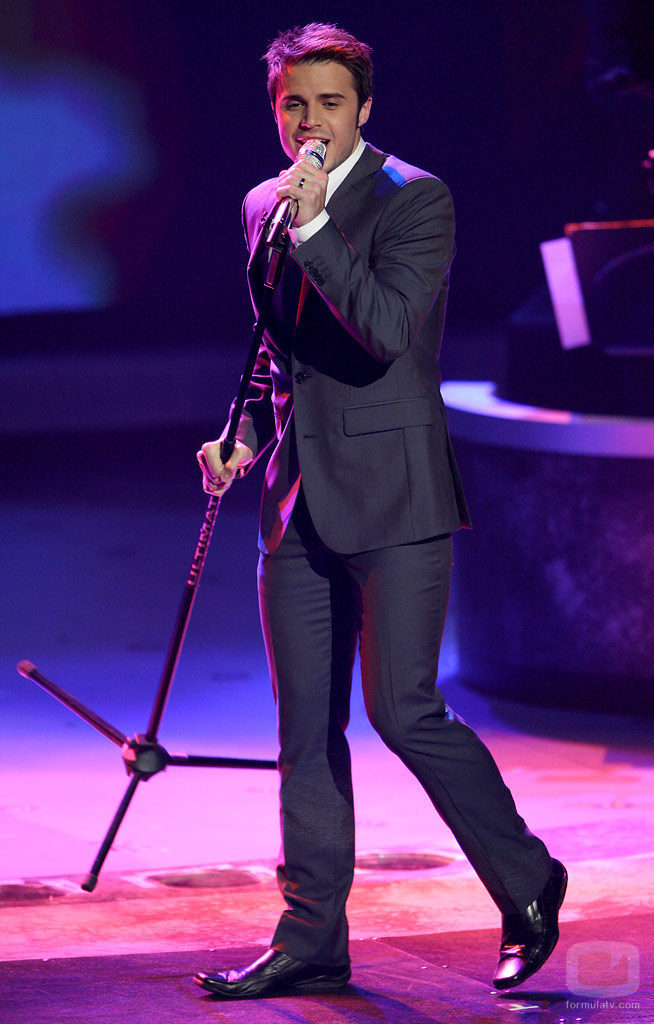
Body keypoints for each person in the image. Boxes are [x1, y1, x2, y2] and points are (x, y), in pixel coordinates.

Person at [194, 22, 566, 1000]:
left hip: (395, 491)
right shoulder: (261, 204)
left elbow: (386, 329)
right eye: (293, 105)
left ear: (364, 107)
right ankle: (312, 936)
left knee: (403, 709)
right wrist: (241, 434)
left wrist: (318, 229)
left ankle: (528, 879)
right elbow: (276, 350)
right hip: (294, 498)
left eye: (329, 103)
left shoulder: (416, 198)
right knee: (305, 731)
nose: (309, 122)